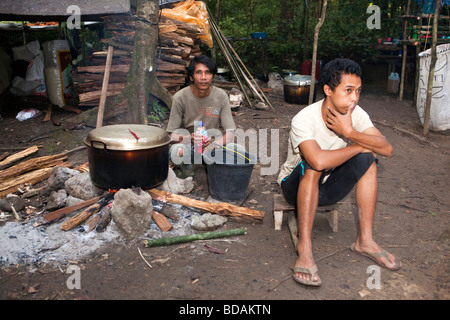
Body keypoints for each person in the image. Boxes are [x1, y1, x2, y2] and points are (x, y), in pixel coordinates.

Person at [277, 58, 401, 287]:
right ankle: (305, 247)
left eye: (358, 91)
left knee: (368, 159)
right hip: (295, 187)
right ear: (328, 90)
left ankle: (365, 240)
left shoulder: (356, 114)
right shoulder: (304, 118)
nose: (354, 98)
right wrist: (362, 143)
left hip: (327, 189)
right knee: (315, 165)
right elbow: (318, 159)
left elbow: (387, 149)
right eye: (348, 90)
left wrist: (351, 132)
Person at [166, 55, 237, 178]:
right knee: (178, 151)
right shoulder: (180, 97)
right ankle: (187, 176)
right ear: (191, 77)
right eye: (199, 72)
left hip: (214, 147)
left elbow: (230, 133)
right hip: (191, 148)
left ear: (213, 75)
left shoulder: (221, 96)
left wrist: (214, 145)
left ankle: (217, 172)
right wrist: (189, 138)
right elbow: (170, 135)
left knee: (237, 150)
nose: (203, 77)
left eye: (208, 72)